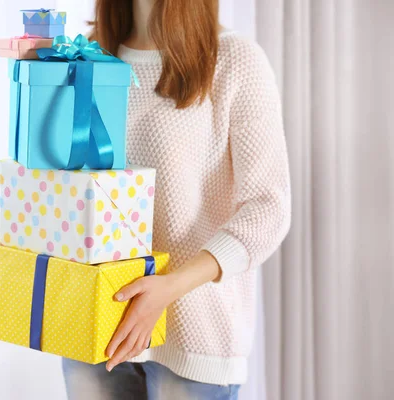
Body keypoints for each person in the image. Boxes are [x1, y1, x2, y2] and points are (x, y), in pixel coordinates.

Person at [62, 0, 292, 399]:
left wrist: (171, 287)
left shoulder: (235, 60)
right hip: (94, 321)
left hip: (193, 335)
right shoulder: (91, 54)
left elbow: (268, 208)